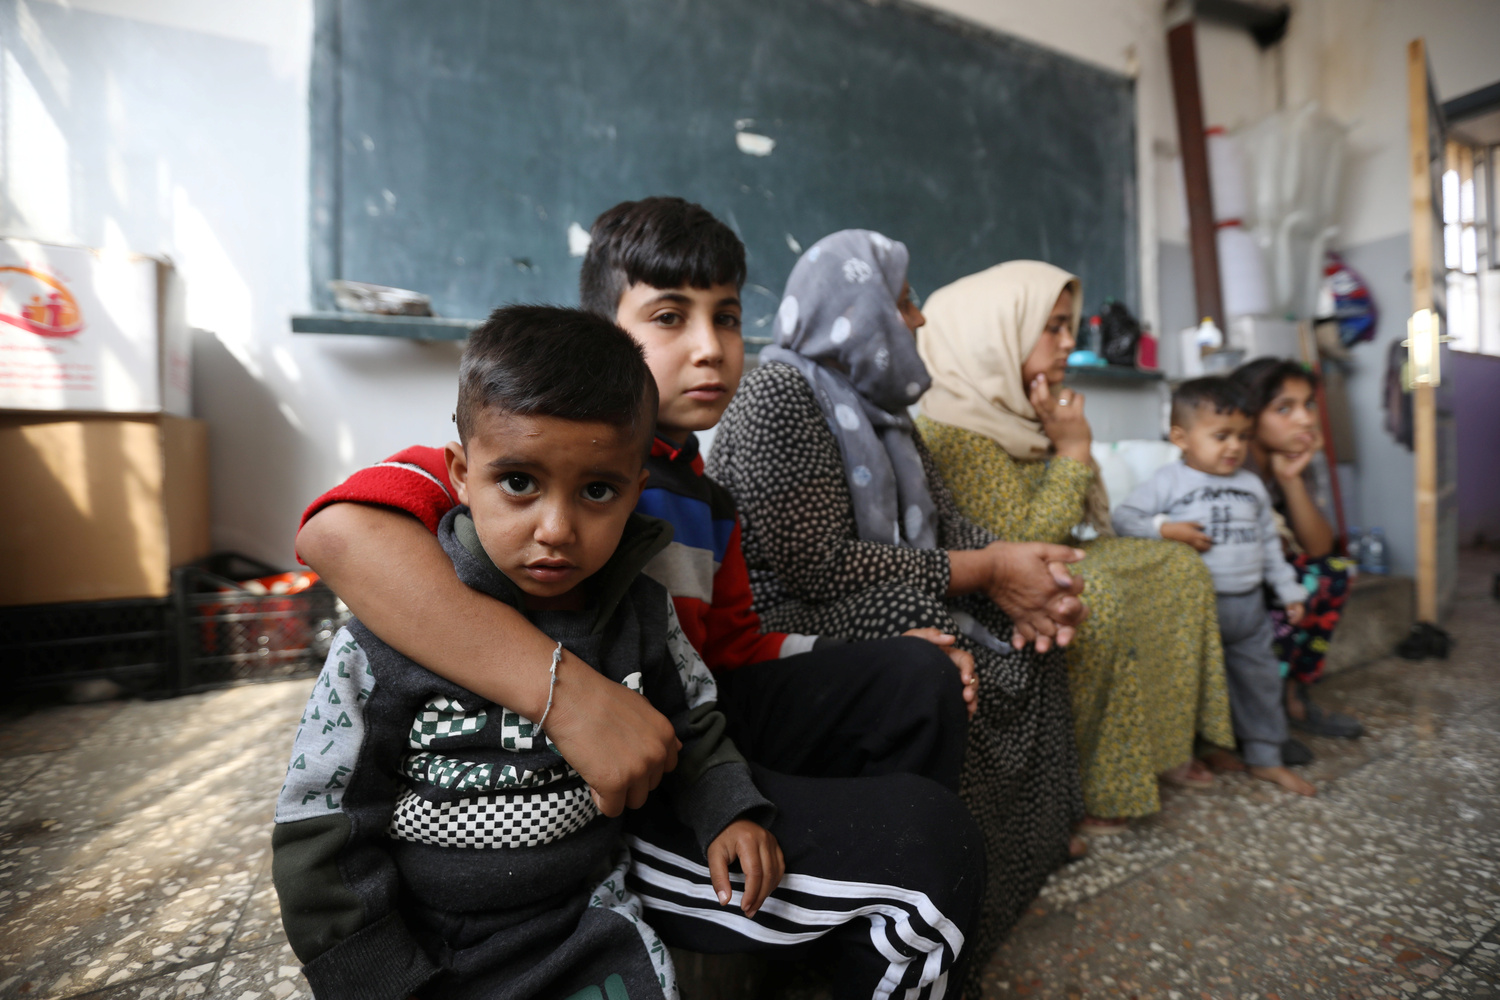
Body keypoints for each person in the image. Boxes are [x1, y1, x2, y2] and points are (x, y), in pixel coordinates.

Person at [272, 306, 984, 999]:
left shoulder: (645, 604)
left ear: (635, 491)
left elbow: (697, 715)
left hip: (589, 916)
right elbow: (323, 827)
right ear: (460, 472)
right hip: (436, 937)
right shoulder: (396, 627)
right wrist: (374, 978)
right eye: (518, 483)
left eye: (597, 492)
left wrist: (730, 810)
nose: (555, 528)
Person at [296, 198, 981, 816]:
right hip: (553, 767)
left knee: (914, 680)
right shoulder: (527, 462)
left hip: (689, 728)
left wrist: (865, 651)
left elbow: (736, 650)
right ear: (604, 334)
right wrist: (565, 693)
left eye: (729, 317)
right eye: (669, 317)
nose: (710, 348)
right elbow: (335, 532)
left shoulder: (709, 503)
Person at [705, 230, 1089, 993]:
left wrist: (1027, 570)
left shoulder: (886, 411)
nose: (916, 321)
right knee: (932, 630)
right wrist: (987, 570)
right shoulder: (780, 392)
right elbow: (818, 567)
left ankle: (1021, 850)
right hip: (789, 615)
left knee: (1032, 627)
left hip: (873, 587)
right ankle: (931, 913)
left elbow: (952, 530)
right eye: (905, 301)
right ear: (857, 306)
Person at [912, 261, 1234, 833]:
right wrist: (1074, 450)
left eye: (1071, 327)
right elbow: (1025, 547)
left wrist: (1064, 443)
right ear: (995, 332)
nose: (1068, 344)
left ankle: (1165, 748)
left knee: (1176, 567)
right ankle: (1091, 790)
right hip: (988, 585)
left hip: (1053, 551)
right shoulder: (955, 427)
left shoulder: (1021, 409)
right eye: (1053, 327)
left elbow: (1068, 531)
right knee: (1095, 595)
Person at [1113, 377, 1315, 797]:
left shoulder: (1251, 485)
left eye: (1242, 436)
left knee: (1260, 682)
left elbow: (1268, 546)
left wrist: (1289, 590)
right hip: (1195, 611)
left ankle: (1265, 757)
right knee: (1196, 684)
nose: (1234, 447)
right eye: (1220, 436)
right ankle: (1201, 749)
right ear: (1181, 437)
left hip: (1250, 608)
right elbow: (1124, 517)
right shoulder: (1170, 480)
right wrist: (1165, 528)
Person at [1229, 358, 1363, 741]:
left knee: (1331, 572)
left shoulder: (1285, 460)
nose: (1305, 420)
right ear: (1249, 415)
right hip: (1231, 582)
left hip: (1268, 577)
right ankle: (1259, 716)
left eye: (1308, 405)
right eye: (1284, 408)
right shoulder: (1230, 463)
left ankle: (1292, 698)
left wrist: (1291, 479)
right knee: (1294, 583)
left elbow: (1320, 549)